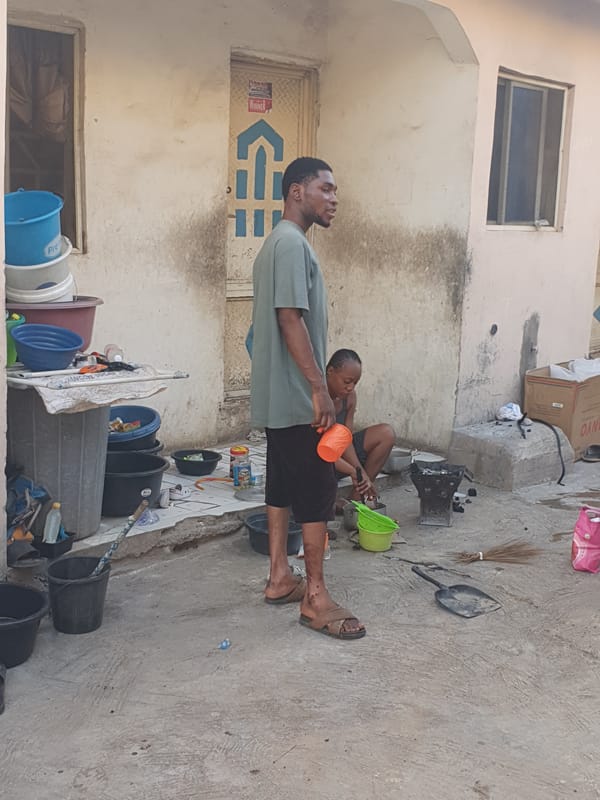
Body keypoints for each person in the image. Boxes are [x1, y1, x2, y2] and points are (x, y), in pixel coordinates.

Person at [250, 157, 365, 640]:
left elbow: (259, 334)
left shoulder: (273, 246)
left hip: (280, 400)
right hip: (302, 401)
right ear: (297, 192)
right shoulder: (292, 245)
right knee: (318, 492)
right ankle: (315, 597)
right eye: (326, 188)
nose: (334, 198)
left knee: (280, 484)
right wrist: (320, 389)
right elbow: (288, 319)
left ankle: (280, 577)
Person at [326, 349, 395, 504]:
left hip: (338, 457)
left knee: (386, 434)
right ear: (330, 372)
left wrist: (360, 473)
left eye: (355, 383)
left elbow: (346, 439)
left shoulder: (349, 398)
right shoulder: (318, 398)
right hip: (318, 458)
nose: (350, 387)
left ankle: (356, 499)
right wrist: (353, 471)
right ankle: (330, 503)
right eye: (347, 381)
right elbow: (321, 450)